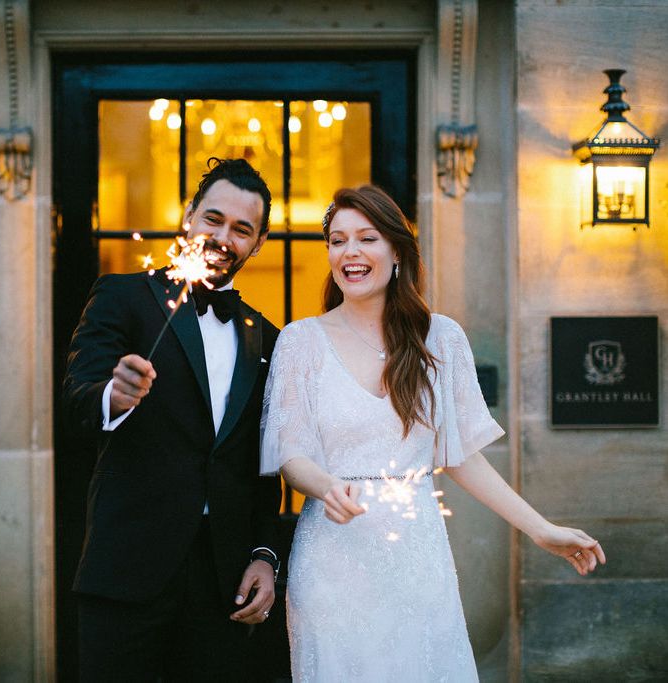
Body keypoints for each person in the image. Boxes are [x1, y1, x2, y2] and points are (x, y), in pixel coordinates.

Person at [260, 185, 606, 682]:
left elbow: (460, 456)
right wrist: (324, 486)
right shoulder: (301, 341)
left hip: (416, 557)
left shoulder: (440, 339)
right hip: (332, 563)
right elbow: (290, 454)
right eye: (337, 241)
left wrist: (540, 529)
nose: (350, 253)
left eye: (366, 238)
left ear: (397, 250)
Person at [63, 158, 282, 681]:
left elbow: (266, 464)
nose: (223, 236)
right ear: (188, 217)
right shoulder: (122, 296)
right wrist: (114, 396)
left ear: (259, 242)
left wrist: (265, 556)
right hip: (127, 571)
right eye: (213, 219)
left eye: (241, 229)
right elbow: (76, 404)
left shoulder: (268, 339)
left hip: (224, 586)